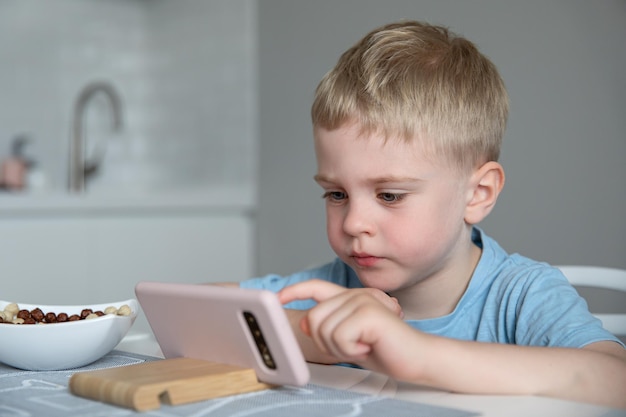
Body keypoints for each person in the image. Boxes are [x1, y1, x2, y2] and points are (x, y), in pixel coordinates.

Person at [235, 20, 626, 407]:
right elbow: (188, 315)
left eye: (389, 195)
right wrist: (313, 336)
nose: (353, 222)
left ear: (477, 194)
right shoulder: (334, 289)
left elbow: (616, 379)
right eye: (336, 194)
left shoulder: (521, 295)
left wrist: (417, 353)